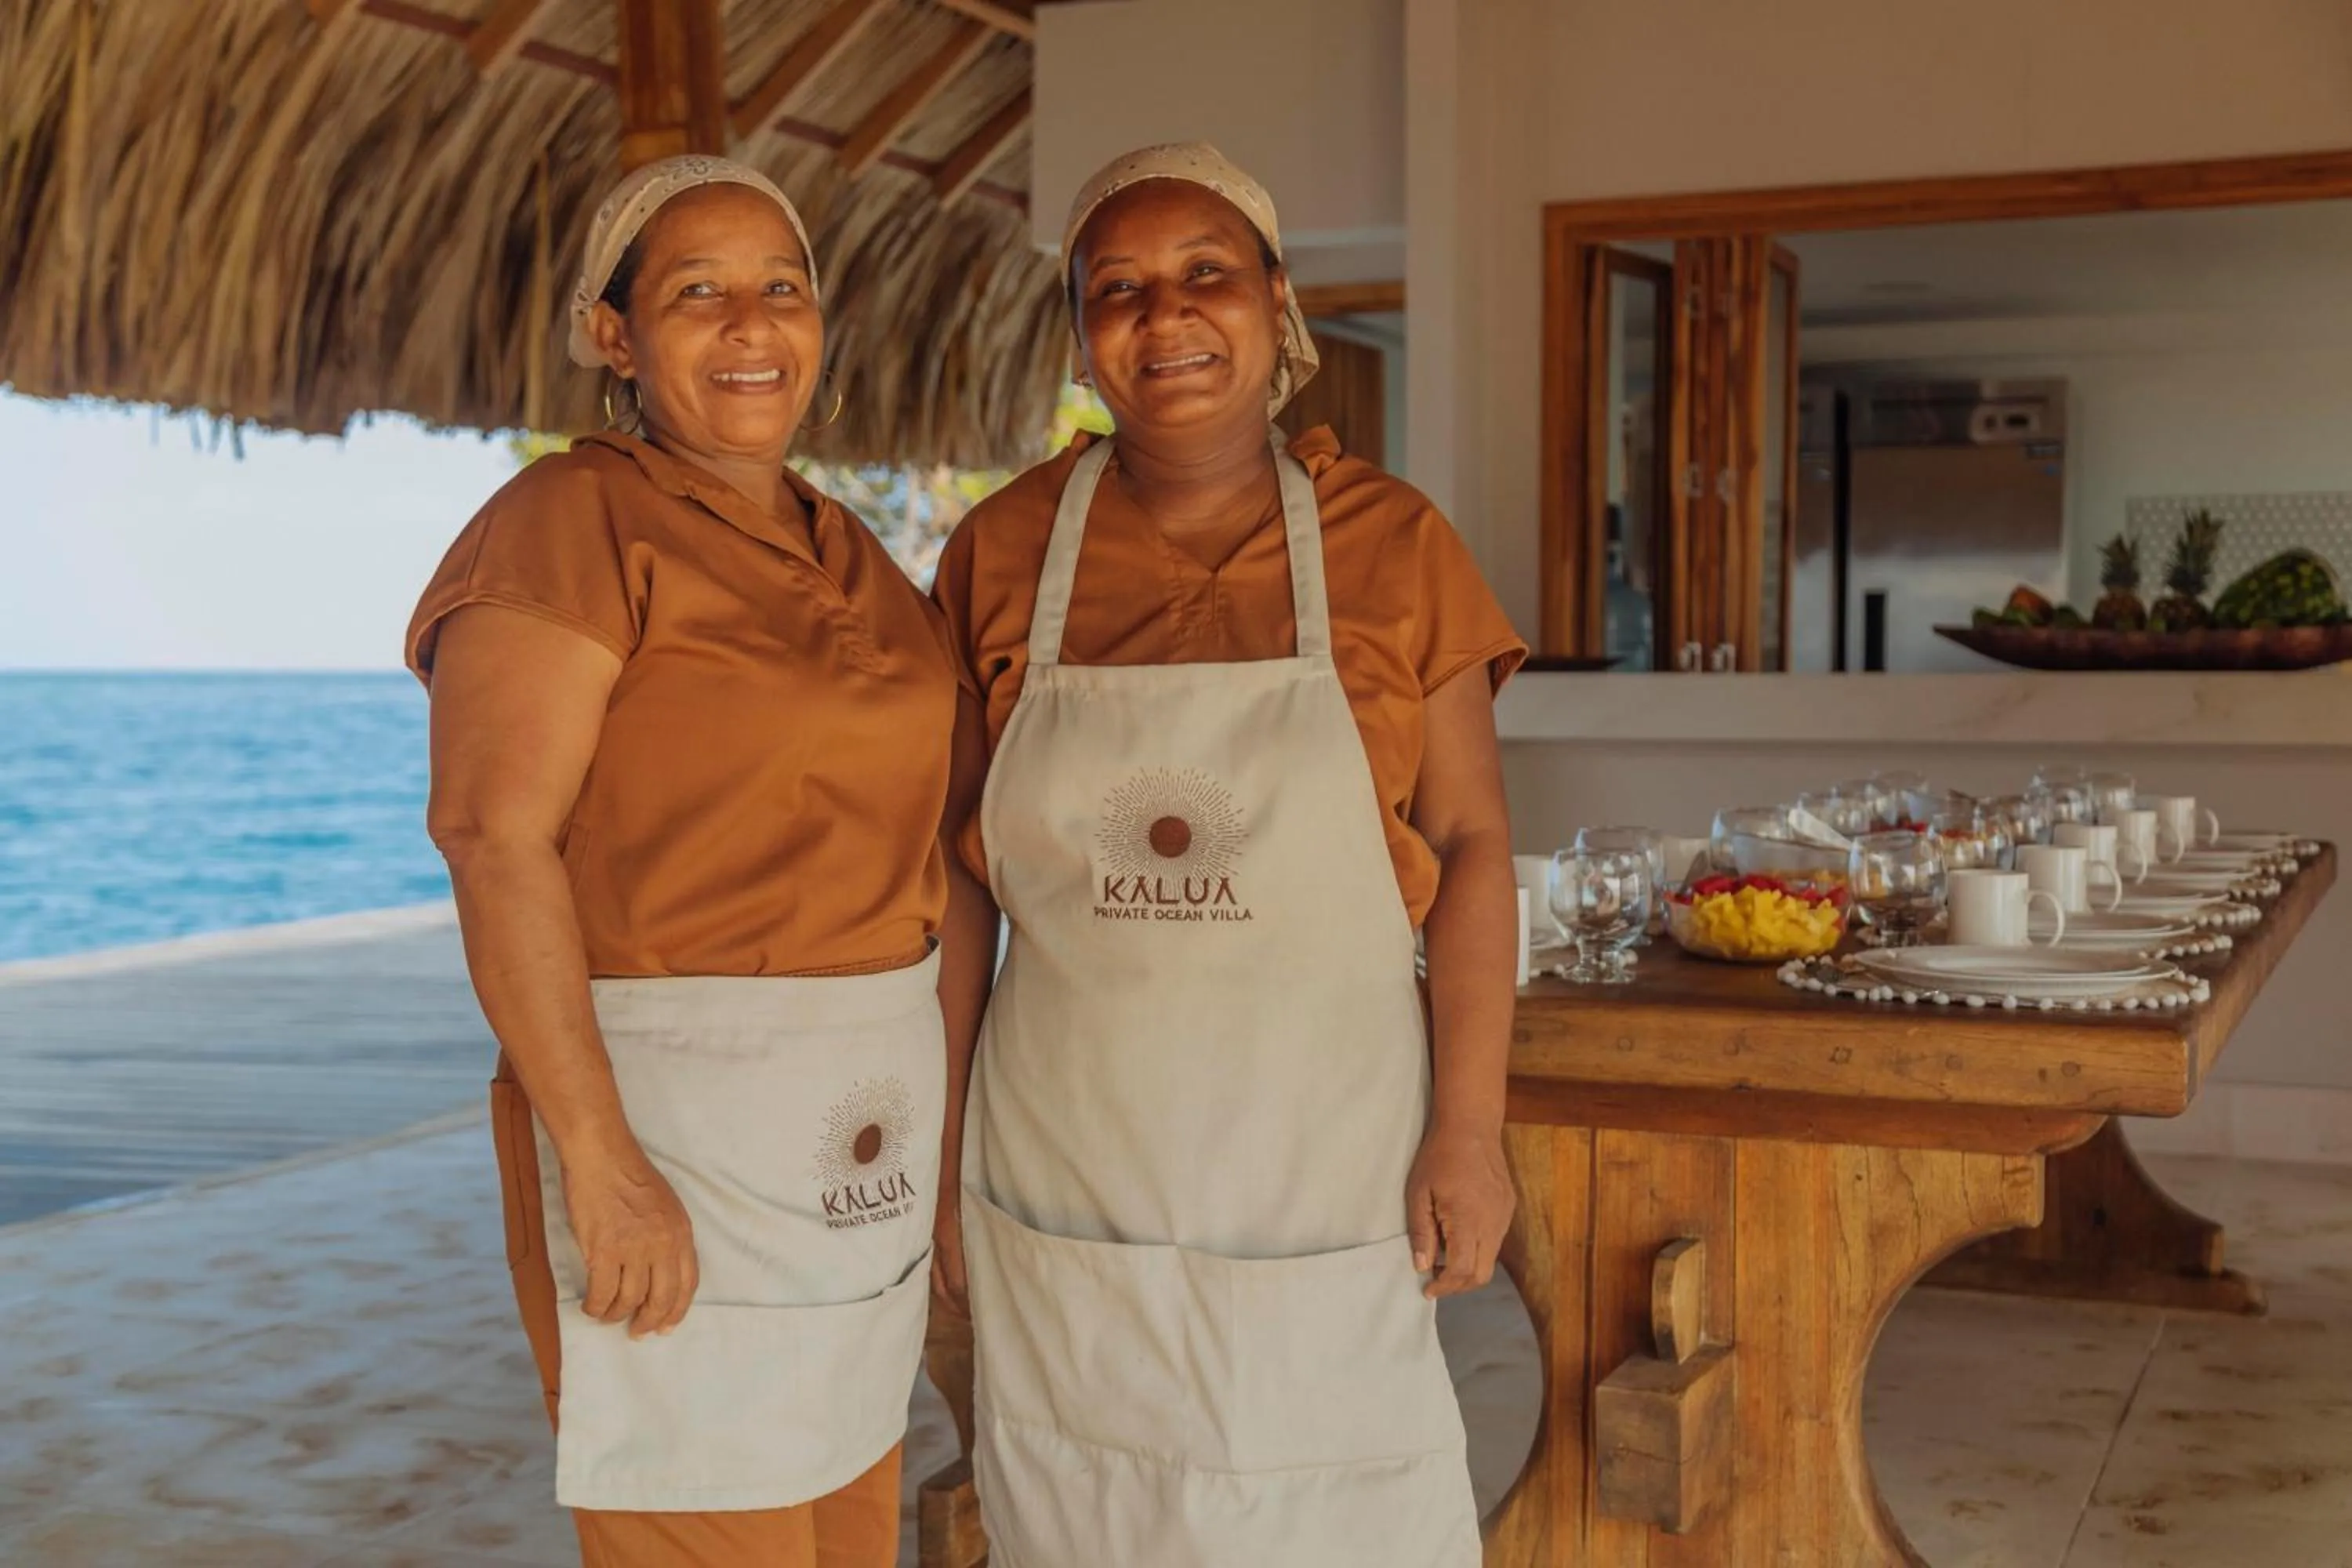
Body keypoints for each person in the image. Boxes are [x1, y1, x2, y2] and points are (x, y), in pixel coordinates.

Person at [927, 143, 1526, 1566]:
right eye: (1117, 288)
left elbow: (1477, 839)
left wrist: (1468, 1127)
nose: (1166, 314)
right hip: (1069, 1149)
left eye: (1206, 274)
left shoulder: (1395, 544)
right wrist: (938, 1143)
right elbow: (958, 884)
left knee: (1334, 1511)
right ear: (1084, 334)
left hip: (1327, 1155)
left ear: (1275, 301)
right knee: (1083, 1507)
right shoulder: (1002, 550)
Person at [408, 154, 955, 1568]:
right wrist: (600, 1161)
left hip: (856, 1146)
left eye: (782, 288)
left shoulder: (859, 554)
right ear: (616, 335)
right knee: (704, 1514)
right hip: (676, 1133)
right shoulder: (566, 526)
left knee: (843, 1530)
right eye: (697, 293)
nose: (750, 325)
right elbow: (491, 833)